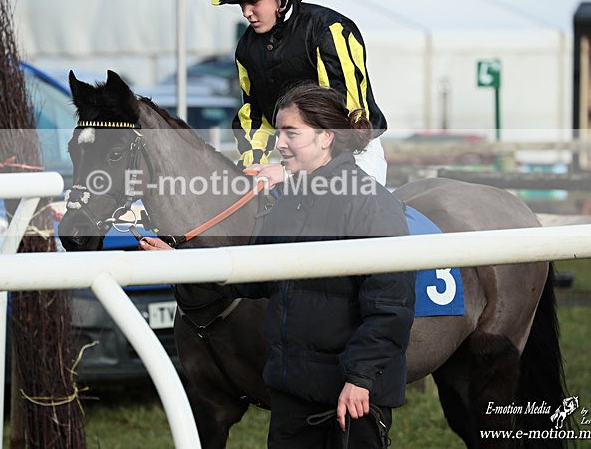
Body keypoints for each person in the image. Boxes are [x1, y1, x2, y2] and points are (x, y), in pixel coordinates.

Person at [141, 84, 415, 448]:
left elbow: (391, 307)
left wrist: (360, 379)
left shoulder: (371, 204)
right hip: (291, 395)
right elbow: (254, 275)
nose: (280, 144)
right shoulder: (289, 201)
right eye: (279, 133)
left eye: (291, 133)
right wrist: (184, 264)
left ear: (326, 138)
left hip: (352, 398)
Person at [211, 0, 390, 186]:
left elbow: (345, 120)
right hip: (295, 157)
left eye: (253, 1)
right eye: (241, 4)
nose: (246, 12)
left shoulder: (329, 30)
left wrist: (289, 173)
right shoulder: (247, 48)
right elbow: (255, 117)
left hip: (353, 156)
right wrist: (253, 165)